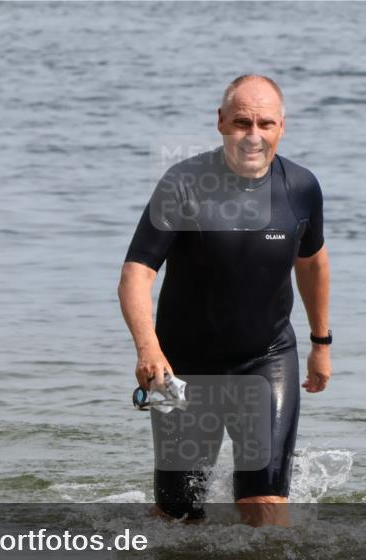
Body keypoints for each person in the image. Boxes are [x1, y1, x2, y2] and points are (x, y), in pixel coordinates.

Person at [118, 75, 331, 528]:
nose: (253, 136)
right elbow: (136, 273)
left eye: (265, 123)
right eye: (242, 122)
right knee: (178, 515)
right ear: (220, 123)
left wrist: (321, 341)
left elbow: (311, 262)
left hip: (267, 359)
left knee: (264, 502)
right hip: (183, 367)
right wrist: (148, 347)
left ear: (282, 127)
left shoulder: (301, 188)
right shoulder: (182, 185)